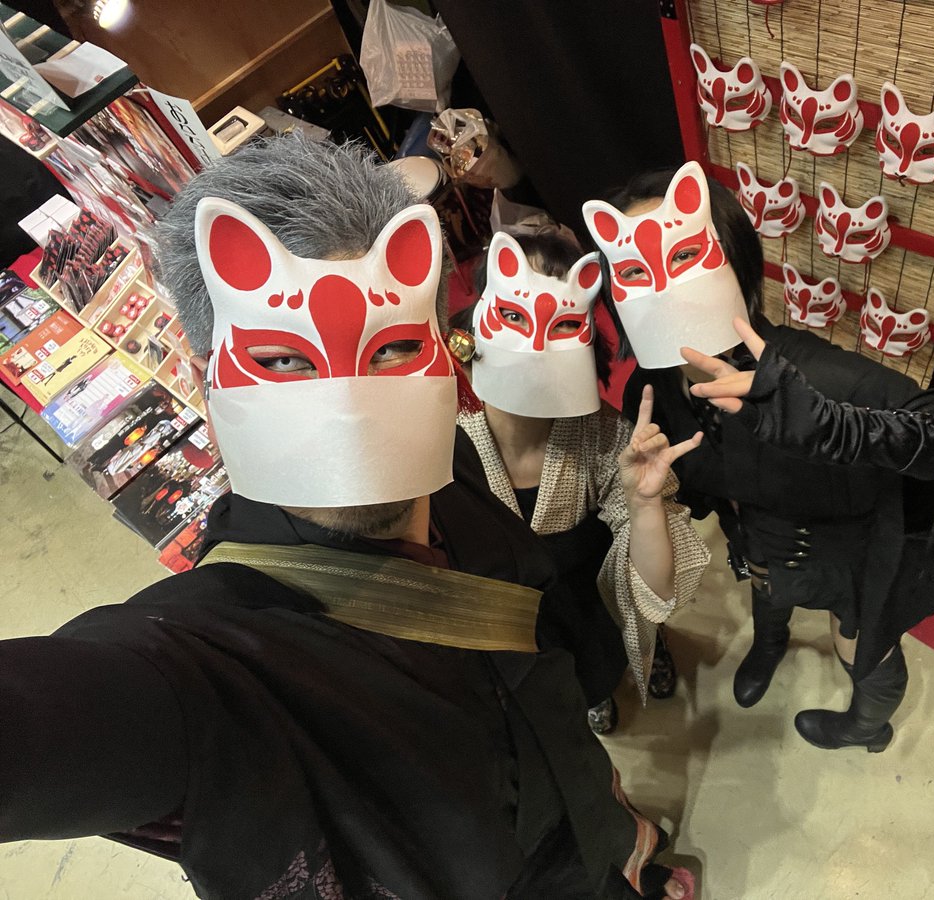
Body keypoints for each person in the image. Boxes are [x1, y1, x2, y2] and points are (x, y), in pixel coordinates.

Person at [0, 137, 693, 900]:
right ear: (207, 382)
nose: (349, 406)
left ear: (445, 350)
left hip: (590, 826)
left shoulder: (461, 472)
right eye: (283, 359)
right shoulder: (213, 663)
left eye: (392, 348)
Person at [584, 161, 934, 752]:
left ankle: (868, 725)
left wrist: (840, 429)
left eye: (682, 258)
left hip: (847, 557)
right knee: (766, 593)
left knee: (860, 647)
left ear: (735, 261)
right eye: (634, 271)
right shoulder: (651, 395)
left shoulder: (813, 376)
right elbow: (672, 540)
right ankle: (770, 644)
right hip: (757, 550)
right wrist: (647, 503)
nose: (661, 291)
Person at [450, 228, 710, 734]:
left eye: (565, 324)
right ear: (475, 325)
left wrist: (644, 504)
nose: (536, 346)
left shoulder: (605, 441)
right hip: (505, 622)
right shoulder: (443, 435)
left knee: (601, 658)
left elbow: (658, 584)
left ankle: (625, 668)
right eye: (514, 315)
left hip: (588, 608)